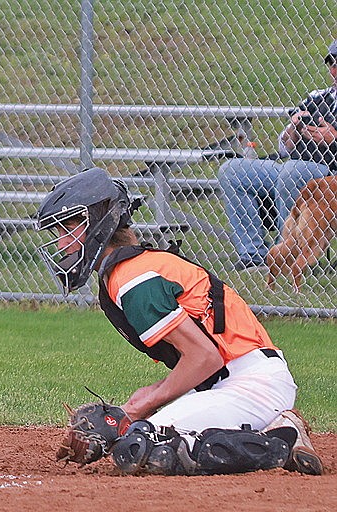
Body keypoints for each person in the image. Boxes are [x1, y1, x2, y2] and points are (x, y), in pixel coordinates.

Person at [36, 167, 323, 476]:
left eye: (69, 230)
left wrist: (135, 411)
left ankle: (280, 440)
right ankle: (271, 429)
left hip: (251, 384)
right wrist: (144, 399)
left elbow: (204, 357)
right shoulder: (130, 270)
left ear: (97, 226)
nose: (63, 243)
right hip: (232, 382)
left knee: (140, 445)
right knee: (138, 434)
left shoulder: (134, 278)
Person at [217, 39, 337, 270]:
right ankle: (253, 254)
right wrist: (292, 130)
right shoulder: (316, 97)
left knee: (293, 171)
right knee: (232, 171)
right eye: (331, 62)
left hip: (330, 175)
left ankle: (288, 254)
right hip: (295, 167)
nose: (334, 69)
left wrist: (333, 138)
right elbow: (284, 148)